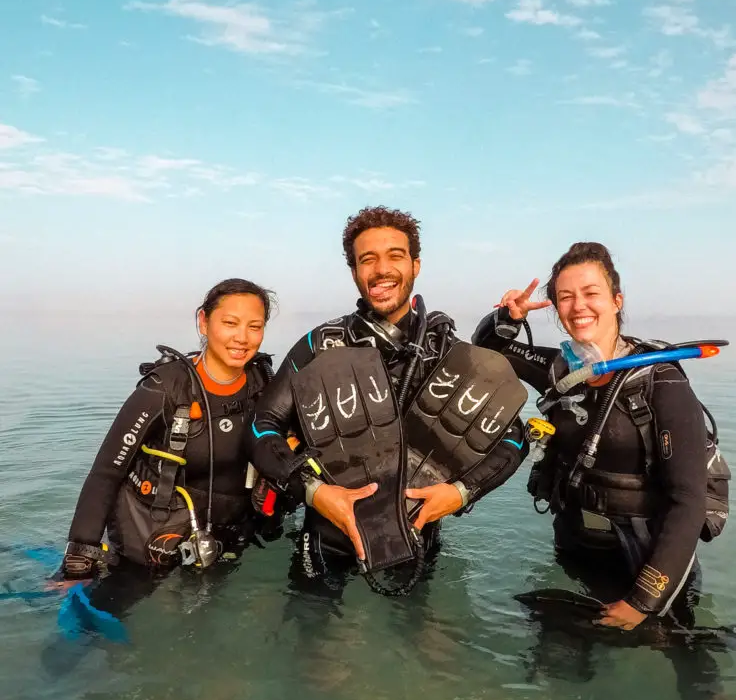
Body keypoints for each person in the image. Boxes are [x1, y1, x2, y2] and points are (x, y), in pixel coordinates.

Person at [248, 206, 528, 589]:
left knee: (423, 647)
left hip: (416, 537)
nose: (381, 269)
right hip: (325, 537)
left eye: (395, 256)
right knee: (317, 648)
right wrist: (316, 493)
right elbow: (263, 427)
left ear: (415, 265)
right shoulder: (322, 345)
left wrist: (459, 494)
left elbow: (514, 438)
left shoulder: (444, 351)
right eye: (368, 259)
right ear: (354, 273)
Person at [473, 241, 724, 632]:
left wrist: (644, 601)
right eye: (565, 297)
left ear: (617, 300)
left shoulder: (661, 381)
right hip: (577, 549)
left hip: (647, 556)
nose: (578, 306)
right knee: (558, 662)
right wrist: (507, 316)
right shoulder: (561, 371)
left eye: (591, 294)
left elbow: (688, 501)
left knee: (684, 661)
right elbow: (487, 350)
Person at [61, 278, 281, 580]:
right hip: (152, 544)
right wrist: (79, 558)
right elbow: (106, 472)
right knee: (101, 620)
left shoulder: (264, 383)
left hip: (227, 539)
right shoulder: (165, 390)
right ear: (203, 322)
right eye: (230, 323)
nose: (242, 338)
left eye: (254, 327)